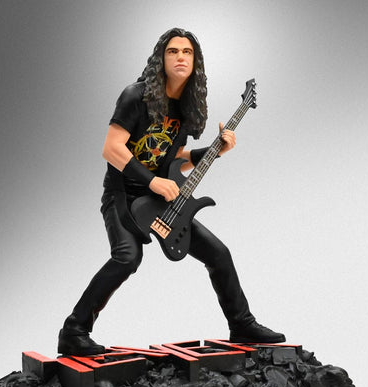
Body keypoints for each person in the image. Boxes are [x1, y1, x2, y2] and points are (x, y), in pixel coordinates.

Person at [58, 28, 286, 356]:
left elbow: (175, 158)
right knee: (127, 257)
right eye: (173, 51)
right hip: (124, 196)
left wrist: (215, 151)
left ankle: (242, 324)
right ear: (161, 59)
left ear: (196, 62)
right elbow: (111, 148)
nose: (180, 57)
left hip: (162, 199)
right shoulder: (135, 96)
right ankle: (74, 331)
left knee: (219, 254)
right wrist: (151, 182)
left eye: (187, 52)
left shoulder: (185, 107)